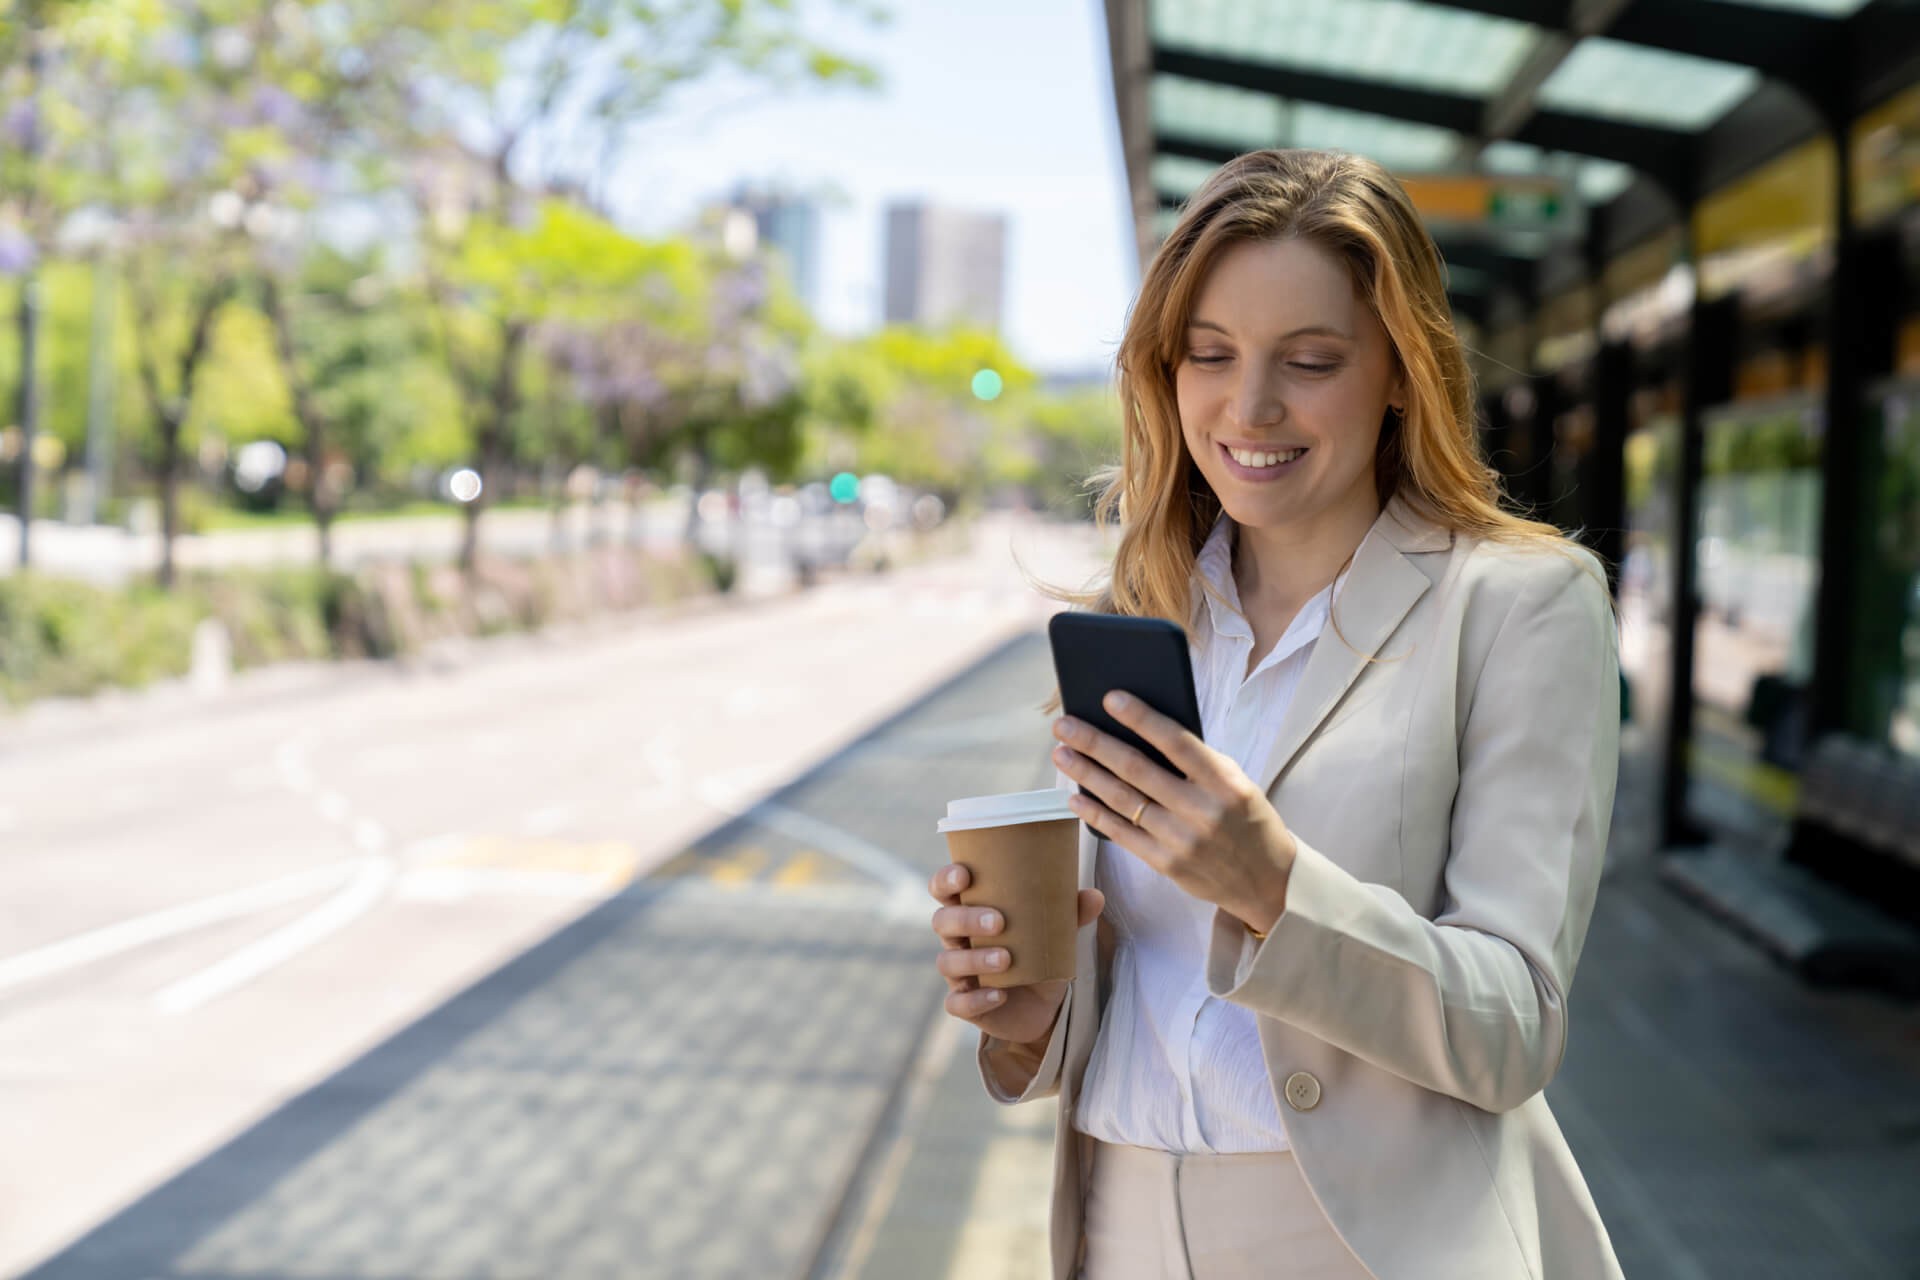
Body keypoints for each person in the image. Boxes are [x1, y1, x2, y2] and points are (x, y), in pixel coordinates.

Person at [928, 148, 1624, 1280]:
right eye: (1209, 354)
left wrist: (1273, 884)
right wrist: (1029, 1003)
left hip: (1362, 1239)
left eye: (1309, 360)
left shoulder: (1519, 604)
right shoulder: (1141, 612)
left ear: (1401, 370)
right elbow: (1136, 987)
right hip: (1117, 1220)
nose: (1250, 407)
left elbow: (1514, 1023)